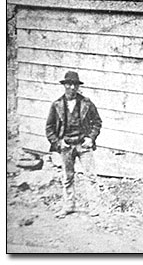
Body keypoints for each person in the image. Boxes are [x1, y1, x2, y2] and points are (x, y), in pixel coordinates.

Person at [45, 71, 103, 218]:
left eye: (74, 85)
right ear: (64, 86)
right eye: (69, 84)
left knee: (90, 176)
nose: (71, 87)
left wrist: (91, 138)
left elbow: (97, 122)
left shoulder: (86, 103)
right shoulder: (56, 105)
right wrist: (58, 143)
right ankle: (69, 206)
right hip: (66, 146)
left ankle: (94, 207)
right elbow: (49, 128)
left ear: (78, 86)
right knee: (67, 177)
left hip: (83, 145)